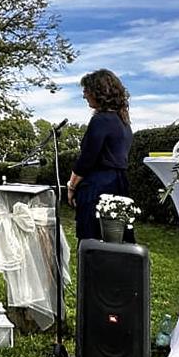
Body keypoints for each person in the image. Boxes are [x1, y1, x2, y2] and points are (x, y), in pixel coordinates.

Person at [66, 69, 135, 241]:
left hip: (98, 188)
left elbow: (86, 160)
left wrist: (72, 187)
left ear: (99, 92)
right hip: (119, 186)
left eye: (86, 91)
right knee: (116, 239)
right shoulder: (123, 122)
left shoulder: (101, 120)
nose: (84, 96)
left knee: (92, 238)